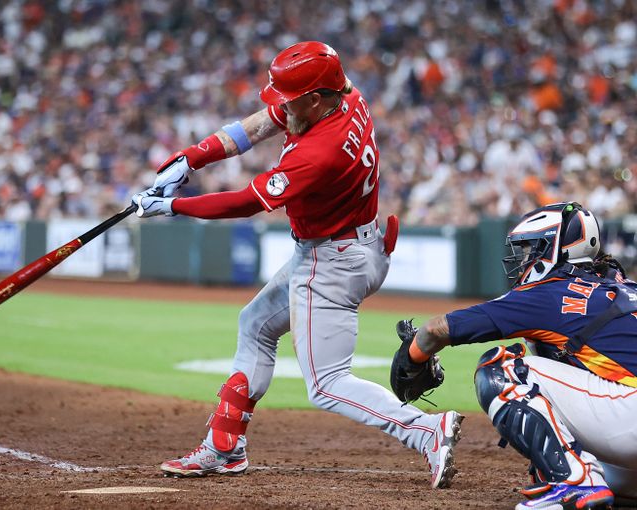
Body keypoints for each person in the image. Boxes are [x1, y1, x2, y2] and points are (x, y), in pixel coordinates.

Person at [130, 41, 463, 489]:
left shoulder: (319, 152)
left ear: (313, 98)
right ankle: (224, 447)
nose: (281, 107)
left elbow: (246, 202)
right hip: (352, 247)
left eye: (290, 99)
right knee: (255, 325)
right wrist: (194, 157)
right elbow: (262, 123)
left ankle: (425, 431)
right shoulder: (343, 94)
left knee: (326, 384)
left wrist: (174, 207)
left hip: (330, 261)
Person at [400, 202, 637, 509]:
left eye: (531, 249)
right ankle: (586, 478)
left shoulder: (550, 291)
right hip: (625, 421)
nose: (524, 259)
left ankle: (574, 482)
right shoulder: (621, 285)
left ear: (555, 248)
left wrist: (412, 355)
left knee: (502, 368)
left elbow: (437, 330)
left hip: (628, 418)